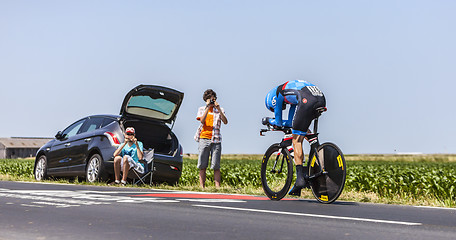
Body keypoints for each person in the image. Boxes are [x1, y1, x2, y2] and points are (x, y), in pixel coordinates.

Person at [264, 80, 326, 193]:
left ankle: (300, 179)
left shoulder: (277, 95)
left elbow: (278, 122)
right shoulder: (290, 94)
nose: (282, 107)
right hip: (320, 98)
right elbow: (293, 122)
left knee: (296, 140)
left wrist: (268, 120)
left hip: (306, 99)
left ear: (270, 102)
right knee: (302, 128)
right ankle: (317, 154)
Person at [194, 89, 228, 189]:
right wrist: (207, 107)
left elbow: (225, 121)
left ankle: (217, 187)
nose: (211, 101)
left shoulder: (220, 109)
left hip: (216, 139)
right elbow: (202, 120)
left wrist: (218, 109)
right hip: (204, 138)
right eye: (209, 99)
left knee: (216, 165)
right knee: (202, 164)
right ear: (206, 100)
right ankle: (202, 187)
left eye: (213, 99)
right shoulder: (201, 109)